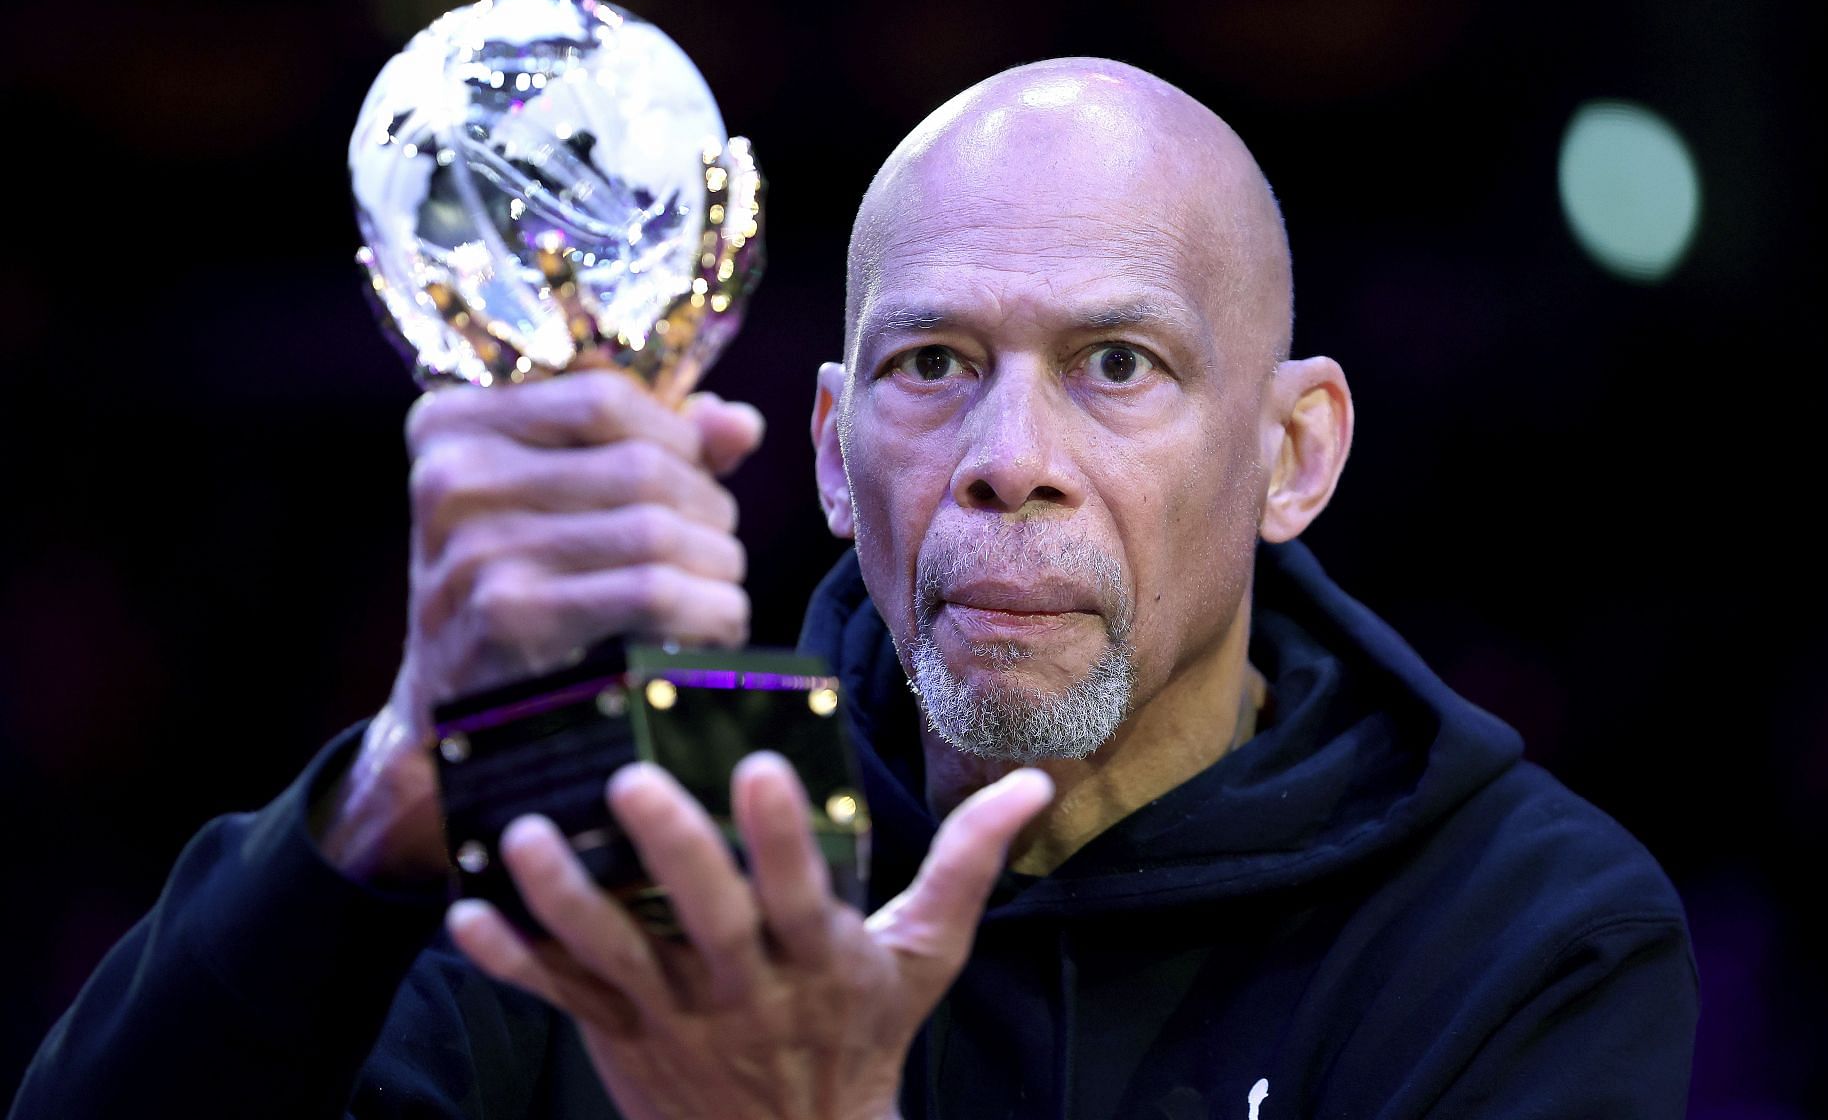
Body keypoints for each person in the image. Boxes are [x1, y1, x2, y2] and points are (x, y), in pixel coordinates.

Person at [11, 58, 1697, 1119]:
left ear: (1293, 453)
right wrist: (399, 783)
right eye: (931, 364)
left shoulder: (1524, 933)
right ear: (828, 450)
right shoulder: (652, 840)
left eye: (1116, 363)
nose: (1003, 454)